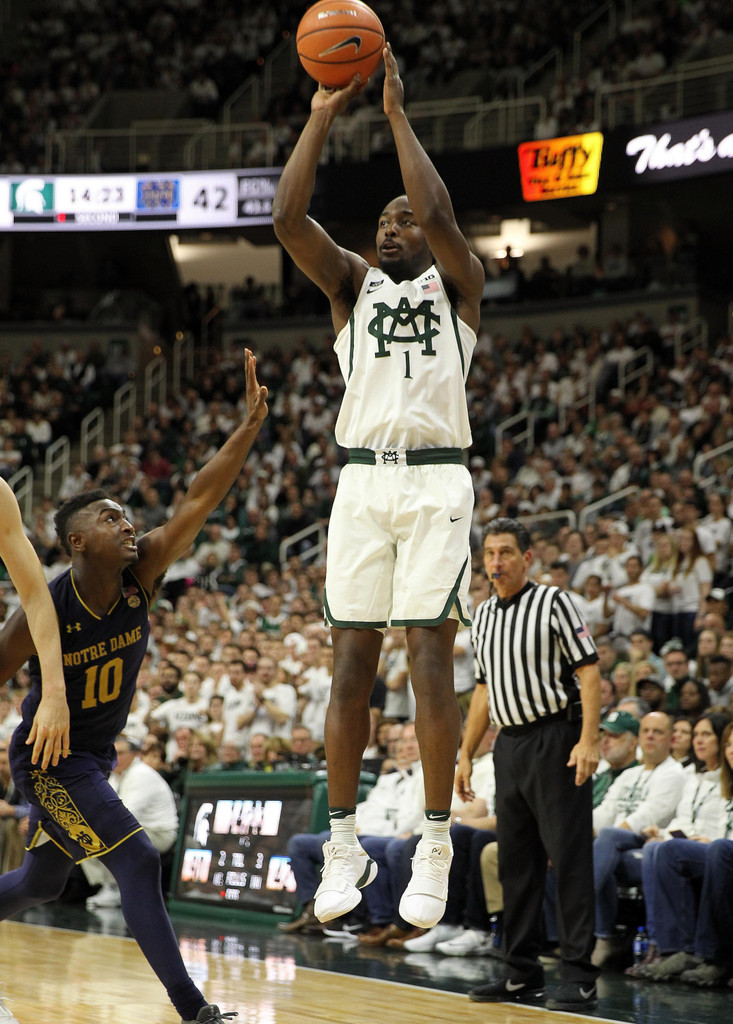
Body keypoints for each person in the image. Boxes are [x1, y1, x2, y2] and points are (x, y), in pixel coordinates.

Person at [272, 44, 484, 931]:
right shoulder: (352, 287)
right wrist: (321, 116)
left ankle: (434, 839)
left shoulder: (461, 287)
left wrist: (395, 112)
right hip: (361, 483)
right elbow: (287, 218)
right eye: (382, 223)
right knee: (349, 669)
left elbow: (434, 207)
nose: (391, 228)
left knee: (429, 658)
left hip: (435, 480)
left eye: (403, 222)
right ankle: (345, 843)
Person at [0, 349, 267, 1024]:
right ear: (76, 543)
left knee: (40, 883)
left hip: (94, 756)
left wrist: (246, 429)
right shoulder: (43, 609)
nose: (127, 524)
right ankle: (193, 1009)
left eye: (126, 516)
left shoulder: (142, 571)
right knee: (139, 861)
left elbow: (199, 499)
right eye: (110, 519)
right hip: (49, 760)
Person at [456, 518, 602, 1012]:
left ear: (527, 558)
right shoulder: (482, 615)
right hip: (509, 745)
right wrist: (466, 753)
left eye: (505, 552)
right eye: (489, 554)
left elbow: (589, 670)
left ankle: (580, 976)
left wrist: (588, 739)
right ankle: (521, 972)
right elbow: (483, 690)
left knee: (569, 859)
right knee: (515, 864)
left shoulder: (555, 601)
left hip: (556, 738)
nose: (495, 562)